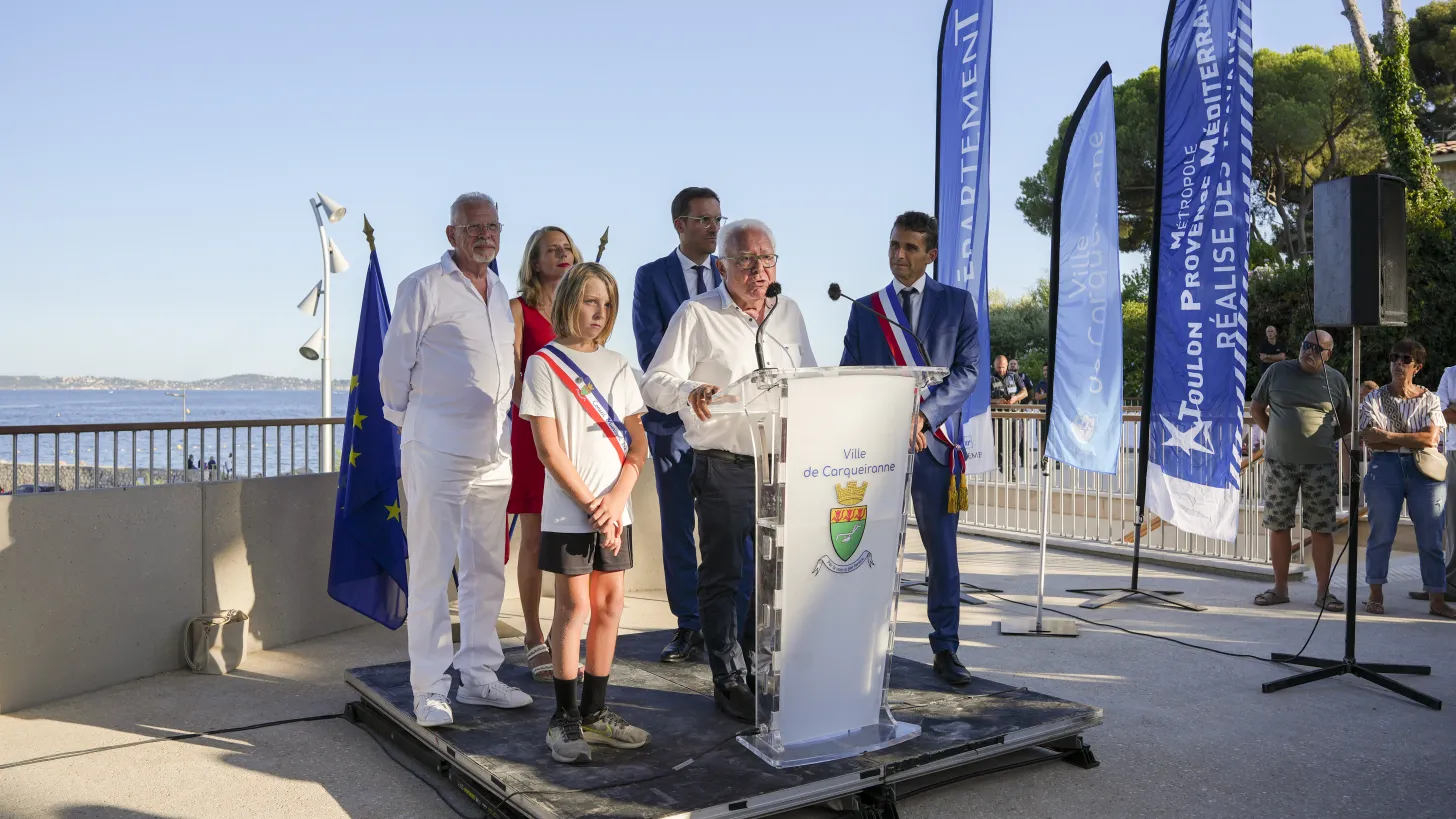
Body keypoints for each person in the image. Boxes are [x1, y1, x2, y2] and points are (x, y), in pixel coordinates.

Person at [643, 219, 815, 722]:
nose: (758, 270)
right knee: (724, 576)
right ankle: (728, 678)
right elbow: (655, 382)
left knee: (771, 576)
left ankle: (763, 668)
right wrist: (687, 393)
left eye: (767, 260)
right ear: (721, 266)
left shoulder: (790, 314)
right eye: (744, 260)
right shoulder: (697, 314)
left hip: (780, 464)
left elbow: (806, 377)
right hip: (723, 463)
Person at [379, 192, 532, 728]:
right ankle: (429, 689)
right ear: (452, 235)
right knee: (429, 571)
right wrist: (413, 426)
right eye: (474, 228)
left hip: (493, 453)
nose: (485, 235)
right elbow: (394, 367)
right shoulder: (424, 286)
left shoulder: (498, 292)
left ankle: (480, 677)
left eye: (492, 226)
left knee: (486, 568)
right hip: (435, 449)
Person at [839, 211, 980, 686]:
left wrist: (922, 417)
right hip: (879, 452)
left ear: (931, 254)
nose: (900, 255)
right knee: (871, 550)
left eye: (911, 248)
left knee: (941, 552)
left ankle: (946, 648)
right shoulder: (867, 309)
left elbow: (967, 373)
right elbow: (850, 378)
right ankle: (864, 646)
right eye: (894, 246)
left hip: (934, 448)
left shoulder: (958, 304)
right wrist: (889, 422)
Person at [521, 262, 652, 763]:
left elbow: (637, 443)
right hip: (569, 512)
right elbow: (549, 451)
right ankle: (564, 718)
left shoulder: (619, 364)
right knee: (574, 608)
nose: (600, 313)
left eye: (608, 304)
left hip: (615, 510)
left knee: (611, 606)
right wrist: (592, 505)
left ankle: (597, 713)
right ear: (570, 300)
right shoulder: (544, 364)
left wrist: (617, 500)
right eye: (591, 301)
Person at [632, 187, 746, 664]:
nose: (714, 228)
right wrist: (690, 398)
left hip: (732, 433)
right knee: (680, 528)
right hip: (673, 428)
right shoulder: (651, 277)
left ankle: (734, 627)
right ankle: (689, 625)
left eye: (718, 219)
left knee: (730, 532)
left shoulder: (736, 274)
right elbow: (652, 351)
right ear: (680, 224)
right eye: (704, 220)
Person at [509, 226, 584, 683]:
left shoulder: (582, 310)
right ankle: (533, 635)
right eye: (552, 250)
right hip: (534, 434)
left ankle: (563, 633)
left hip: (577, 437)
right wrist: (543, 417)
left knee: (568, 539)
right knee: (536, 538)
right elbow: (514, 373)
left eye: (567, 249)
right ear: (535, 262)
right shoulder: (519, 310)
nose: (563, 255)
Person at [1249, 330, 1351, 612]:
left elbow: (1346, 422)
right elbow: (1257, 408)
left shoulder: (1336, 380)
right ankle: (1280, 588)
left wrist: (1318, 441)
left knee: (1321, 527)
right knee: (1279, 524)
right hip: (1279, 463)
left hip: (1320, 465)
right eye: (1306, 345)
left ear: (1329, 354)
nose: (1309, 351)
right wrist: (1276, 435)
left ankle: (1323, 592)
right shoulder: (1278, 371)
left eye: (1317, 349)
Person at [1359, 339, 1453, 618]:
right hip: (1385, 467)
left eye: (1405, 359)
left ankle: (1437, 598)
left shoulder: (1430, 399)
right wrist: (1408, 439)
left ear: (1418, 367)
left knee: (1431, 538)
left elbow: (1430, 438)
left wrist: (1389, 436)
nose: (1398, 363)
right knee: (1381, 534)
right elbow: (1372, 441)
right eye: (1394, 357)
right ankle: (1375, 594)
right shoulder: (1373, 398)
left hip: (1424, 471)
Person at [1419, 362, 1456, 600]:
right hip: (1455, 453)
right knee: (1453, 524)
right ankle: (1447, 586)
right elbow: (1440, 413)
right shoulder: (1451, 373)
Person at [989, 355, 1028, 479]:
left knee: (1015, 444)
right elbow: (984, 398)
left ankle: (1011, 470)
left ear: (1007, 365)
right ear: (994, 366)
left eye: (1003, 367)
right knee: (999, 445)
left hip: (1014, 416)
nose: (1001, 369)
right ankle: (1002, 466)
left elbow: (1025, 392)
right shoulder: (989, 378)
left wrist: (1015, 398)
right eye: (998, 367)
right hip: (998, 417)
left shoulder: (1014, 376)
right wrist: (997, 401)